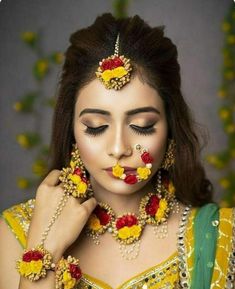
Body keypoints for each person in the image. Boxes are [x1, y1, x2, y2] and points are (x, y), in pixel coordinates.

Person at [0, 12, 234, 289]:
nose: (118, 148)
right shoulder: (15, 234)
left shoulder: (221, 238)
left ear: (171, 127)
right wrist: (43, 250)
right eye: (96, 126)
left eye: (143, 125)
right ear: (71, 131)